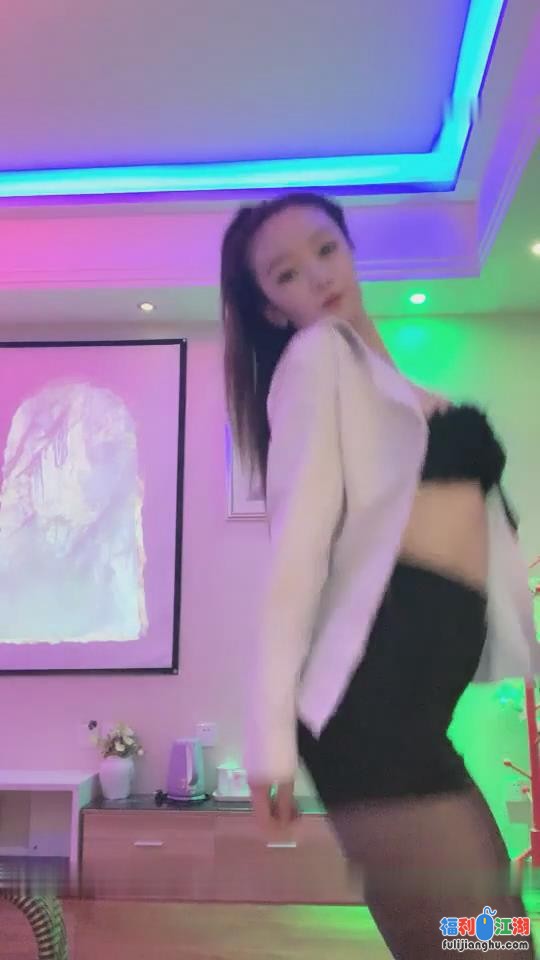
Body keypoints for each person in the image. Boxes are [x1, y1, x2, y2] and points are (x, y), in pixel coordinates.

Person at [220, 191, 538, 957]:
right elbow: (296, 556)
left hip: (410, 714)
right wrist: (267, 741)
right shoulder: (315, 361)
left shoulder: (389, 385)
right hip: (372, 714)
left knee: (494, 926)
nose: (317, 275)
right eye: (286, 273)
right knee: (477, 942)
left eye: (326, 249)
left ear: (350, 251)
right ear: (271, 308)